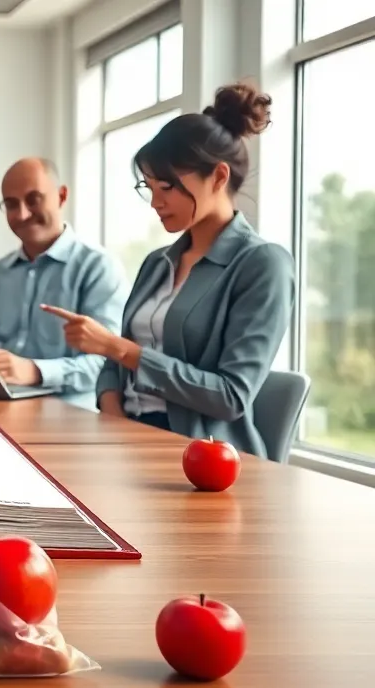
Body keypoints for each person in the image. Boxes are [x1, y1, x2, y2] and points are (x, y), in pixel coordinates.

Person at [42, 82, 294, 459]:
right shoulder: (158, 262)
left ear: (219, 177)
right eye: (149, 186)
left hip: (201, 459)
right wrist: (114, 417)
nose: (156, 202)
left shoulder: (262, 264)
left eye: (168, 187)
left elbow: (231, 396)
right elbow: (114, 365)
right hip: (129, 443)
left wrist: (119, 349)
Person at [0, 157, 126, 410]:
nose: (22, 214)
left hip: (71, 417)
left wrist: (35, 371)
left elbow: (110, 363)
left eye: (33, 199)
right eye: (11, 204)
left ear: (62, 196)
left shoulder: (99, 267)